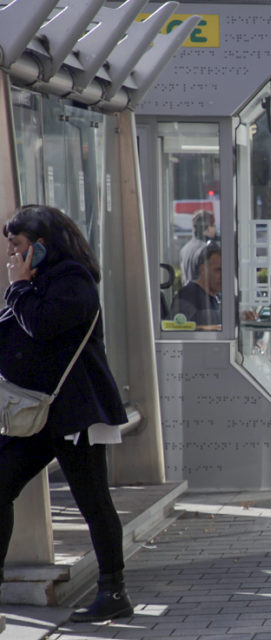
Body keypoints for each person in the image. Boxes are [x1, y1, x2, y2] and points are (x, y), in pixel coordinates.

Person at [0, 205, 132, 623]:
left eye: (17, 245)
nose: (12, 255)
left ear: (41, 245)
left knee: (93, 501)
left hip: (76, 414)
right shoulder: (37, 281)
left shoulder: (73, 280)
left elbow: (42, 325)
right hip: (38, 415)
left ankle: (113, 590)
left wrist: (18, 287)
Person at [171, 243, 222, 328]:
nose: (223, 276)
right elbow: (177, 328)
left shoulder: (217, 297)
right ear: (203, 269)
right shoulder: (187, 297)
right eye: (218, 270)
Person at [180, 210, 217, 284]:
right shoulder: (206, 249)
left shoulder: (184, 249)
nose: (215, 229)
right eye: (213, 225)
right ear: (206, 227)